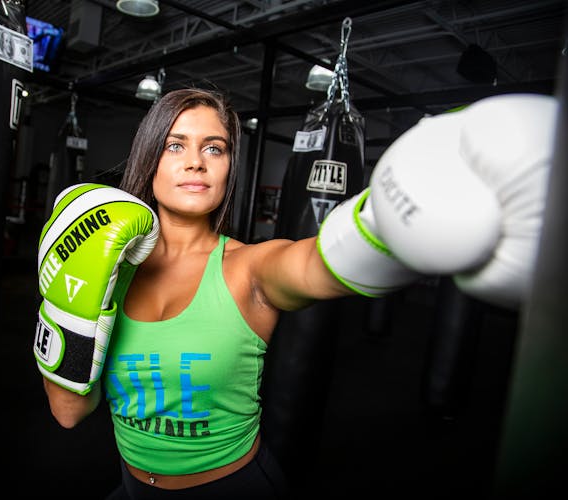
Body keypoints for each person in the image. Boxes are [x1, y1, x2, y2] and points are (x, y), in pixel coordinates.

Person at [33, 88, 557, 499]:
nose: (196, 162)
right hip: (131, 486)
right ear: (150, 159)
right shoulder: (107, 267)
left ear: (227, 168)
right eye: (176, 145)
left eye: (213, 148)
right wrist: (66, 297)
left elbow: (317, 263)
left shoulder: (251, 268)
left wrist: (389, 219)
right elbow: (69, 413)